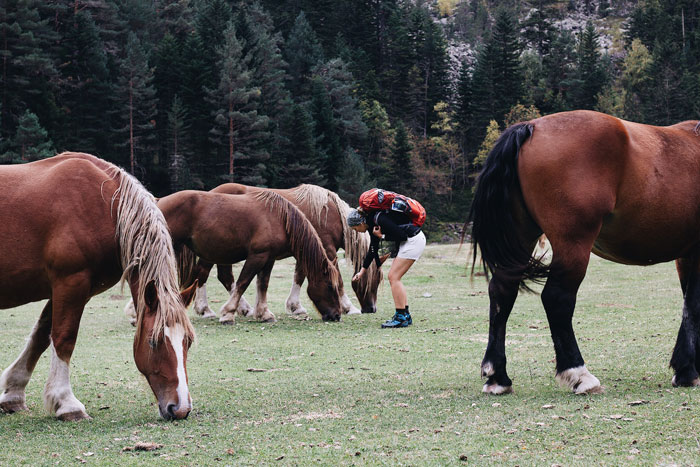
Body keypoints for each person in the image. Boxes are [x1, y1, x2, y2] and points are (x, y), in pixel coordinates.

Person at [347, 206, 426, 328]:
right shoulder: (371, 224)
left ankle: (401, 317)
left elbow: (402, 236)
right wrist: (362, 271)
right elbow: (373, 250)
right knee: (395, 277)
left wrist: (382, 236)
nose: (356, 231)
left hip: (413, 240)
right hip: (409, 242)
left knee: (394, 277)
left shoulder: (380, 219)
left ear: (360, 222)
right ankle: (405, 315)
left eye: (355, 228)